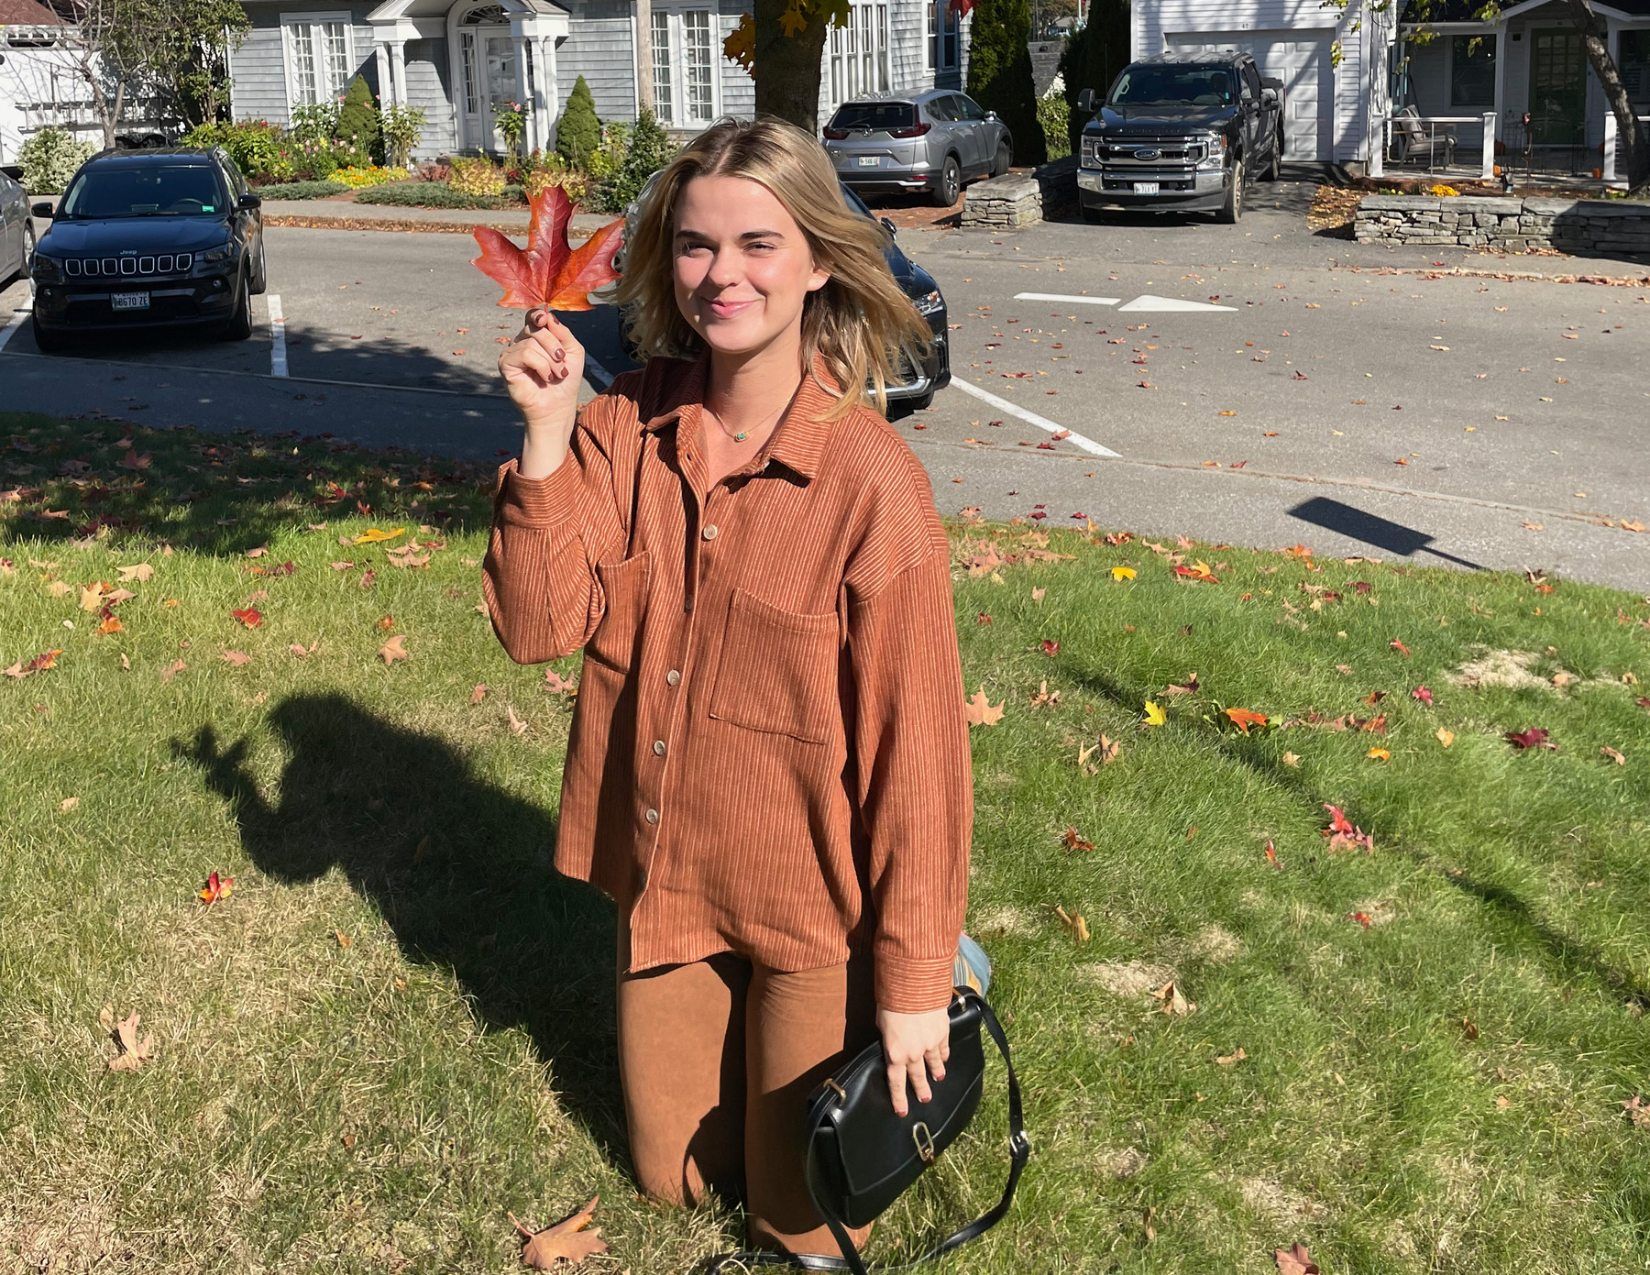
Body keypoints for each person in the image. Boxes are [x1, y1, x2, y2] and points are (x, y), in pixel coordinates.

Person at [480, 115, 974, 1262]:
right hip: (669, 874)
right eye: (697, 247)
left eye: (759, 244)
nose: (724, 275)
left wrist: (908, 987)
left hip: (809, 903)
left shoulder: (872, 484)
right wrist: (547, 435)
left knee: (794, 1212)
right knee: (673, 1179)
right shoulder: (621, 430)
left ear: (816, 261)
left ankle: (937, 953)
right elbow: (538, 630)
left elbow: (920, 761)